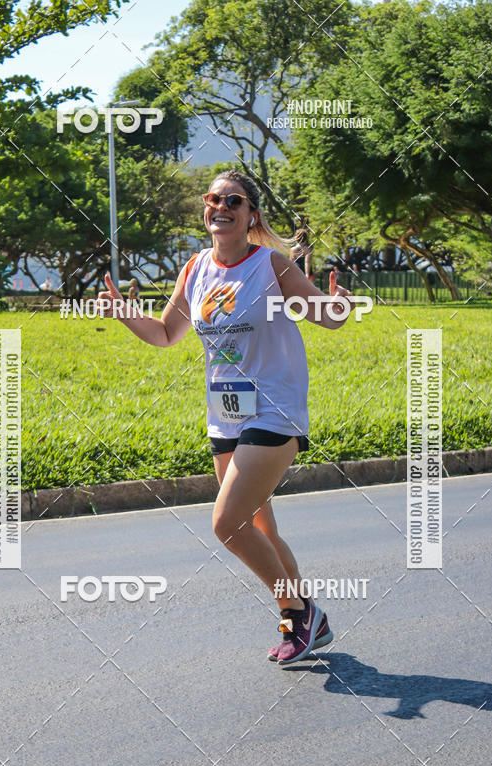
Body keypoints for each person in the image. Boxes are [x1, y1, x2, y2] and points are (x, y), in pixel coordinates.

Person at [98, 169, 355, 665]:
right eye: (213, 199)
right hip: (226, 413)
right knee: (260, 527)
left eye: (232, 200)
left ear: (250, 214)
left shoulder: (271, 266)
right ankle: (307, 624)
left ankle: (300, 614)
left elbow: (322, 314)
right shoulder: (195, 269)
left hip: (275, 407)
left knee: (227, 523)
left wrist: (340, 307)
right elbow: (165, 334)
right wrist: (124, 314)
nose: (221, 206)